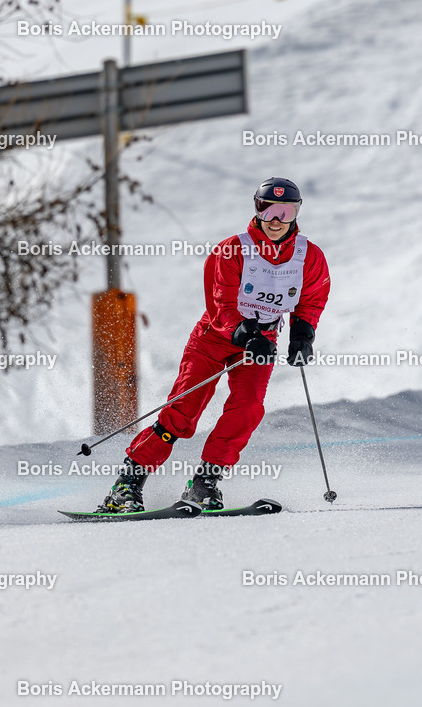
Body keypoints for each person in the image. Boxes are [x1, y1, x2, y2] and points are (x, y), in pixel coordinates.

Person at [98, 177, 331, 513]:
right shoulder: (233, 249)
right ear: (257, 209)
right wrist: (246, 333)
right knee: (182, 411)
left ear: (297, 213)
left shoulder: (309, 256)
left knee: (247, 409)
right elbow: (221, 302)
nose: (276, 220)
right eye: (268, 210)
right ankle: (127, 485)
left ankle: (204, 483)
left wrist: (302, 337)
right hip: (215, 337)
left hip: (262, 342)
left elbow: (311, 299)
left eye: (286, 212)